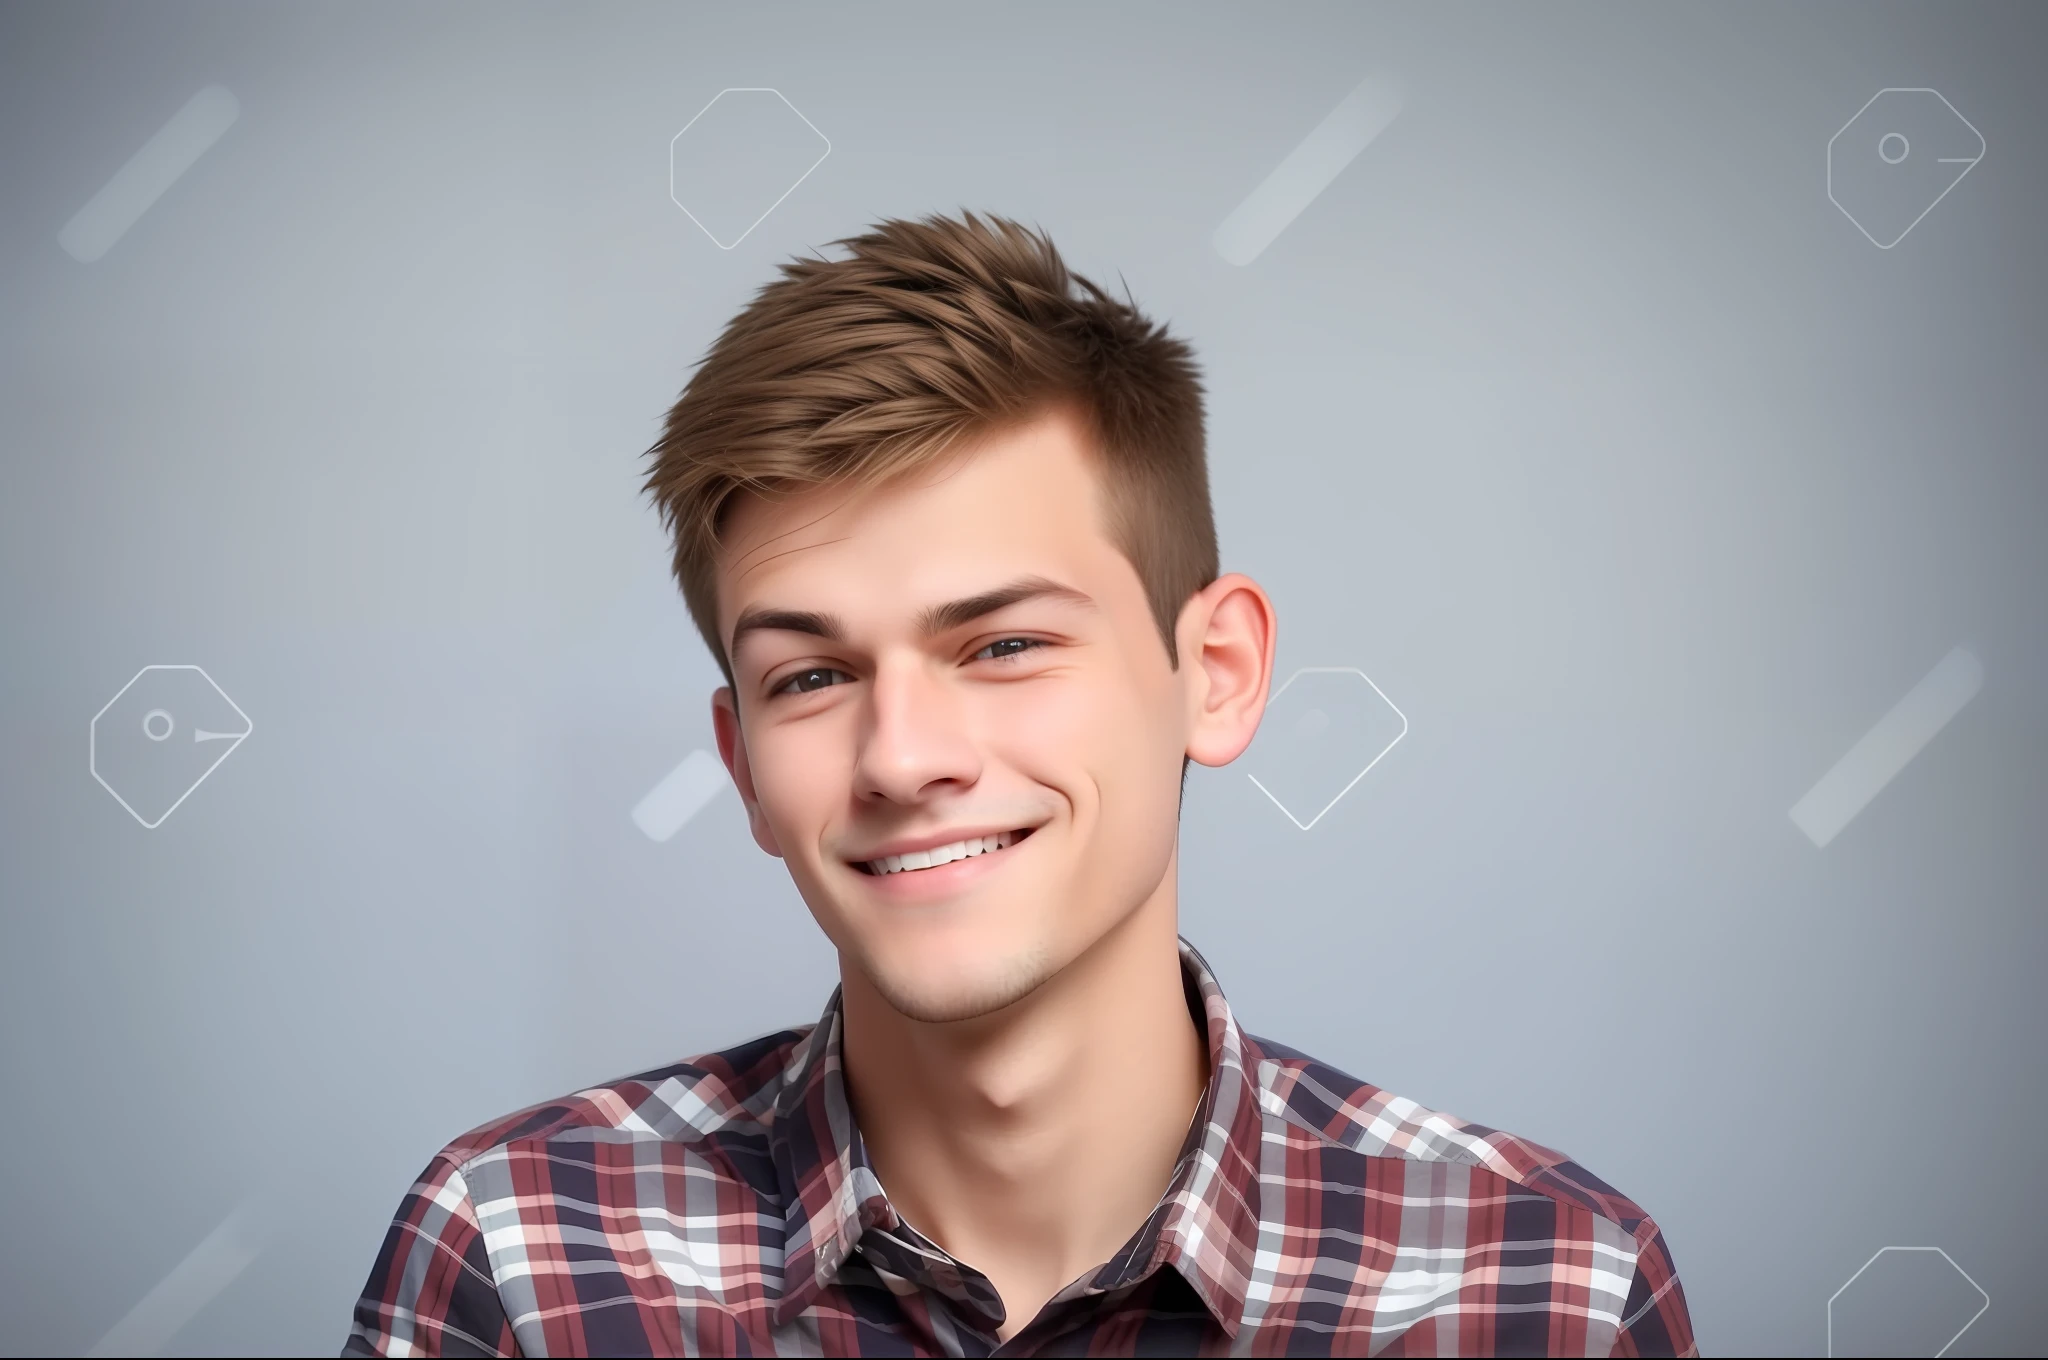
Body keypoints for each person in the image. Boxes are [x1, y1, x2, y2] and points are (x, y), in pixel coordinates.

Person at [343, 210, 1696, 1357]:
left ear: (1215, 671)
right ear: (742, 761)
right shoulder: (520, 1263)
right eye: (810, 677)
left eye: (1003, 645)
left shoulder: (1546, 1293)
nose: (902, 755)